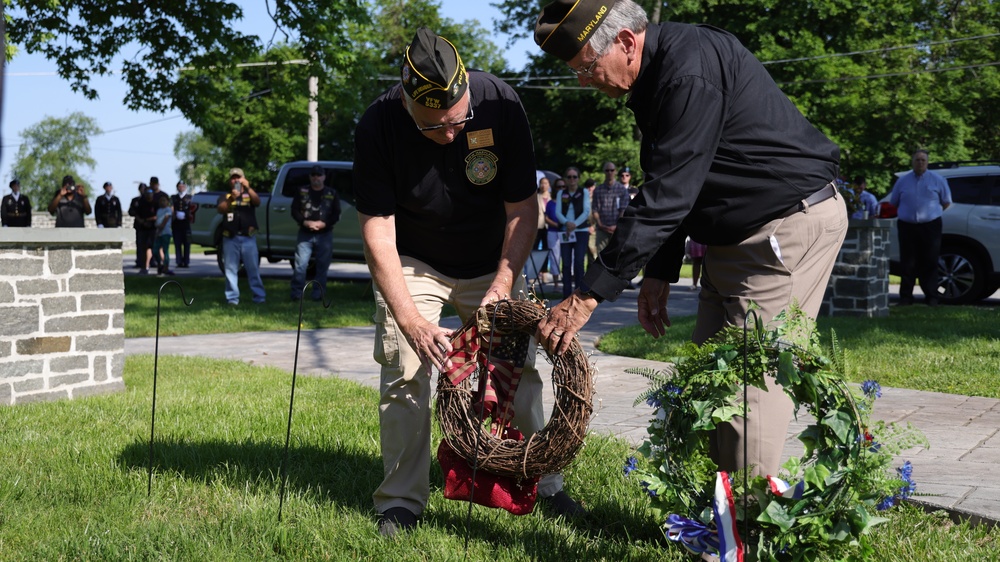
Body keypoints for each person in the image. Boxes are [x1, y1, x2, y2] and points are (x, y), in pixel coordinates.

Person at [533, 0, 848, 480]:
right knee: (708, 385)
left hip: (783, 229)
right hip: (734, 240)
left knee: (748, 396)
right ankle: (713, 522)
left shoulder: (688, 71)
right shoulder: (659, 75)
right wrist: (658, 273)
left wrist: (587, 294)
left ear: (625, 42)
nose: (583, 81)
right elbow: (677, 177)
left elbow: (668, 194)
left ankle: (743, 539)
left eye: (587, 67)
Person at [353, 27, 584, 537]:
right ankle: (400, 502)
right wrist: (411, 321)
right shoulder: (378, 124)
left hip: (492, 259)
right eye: (435, 129)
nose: (451, 136)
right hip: (414, 260)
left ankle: (547, 484)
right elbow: (378, 230)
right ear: (409, 105)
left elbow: (524, 208)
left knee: (518, 373)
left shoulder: (500, 103)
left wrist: (504, 281)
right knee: (404, 369)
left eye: (459, 121)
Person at [888, 150, 952, 306]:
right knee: (908, 262)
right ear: (912, 162)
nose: (920, 162)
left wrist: (931, 215)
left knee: (930, 261)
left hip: (931, 226)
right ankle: (906, 297)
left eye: (923, 160)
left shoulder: (938, 180)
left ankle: (931, 297)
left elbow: (946, 202)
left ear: (927, 162)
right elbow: (893, 202)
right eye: (917, 160)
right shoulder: (903, 181)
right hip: (907, 226)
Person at [289, 165, 341, 301]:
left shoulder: (332, 193)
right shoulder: (302, 191)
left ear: (324, 177)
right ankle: (297, 294)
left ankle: (318, 294)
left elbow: (336, 214)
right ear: (310, 177)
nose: (316, 178)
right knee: (300, 264)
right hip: (305, 233)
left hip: (325, 233)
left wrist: (324, 224)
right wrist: (304, 222)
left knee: (322, 265)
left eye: (319, 175)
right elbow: (294, 210)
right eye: (313, 175)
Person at [216, 168, 266, 305]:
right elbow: (221, 209)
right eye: (233, 178)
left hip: (248, 238)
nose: (236, 180)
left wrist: (248, 188)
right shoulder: (225, 196)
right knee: (231, 269)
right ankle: (232, 299)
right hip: (230, 238)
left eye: (238, 178)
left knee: (253, 268)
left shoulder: (249, 194)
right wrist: (232, 197)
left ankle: (259, 297)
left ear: (244, 179)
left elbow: (257, 202)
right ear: (229, 181)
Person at [554, 167, 591, 297]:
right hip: (566, 231)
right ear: (565, 179)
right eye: (569, 177)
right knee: (566, 263)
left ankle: (579, 294)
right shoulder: (561, 193)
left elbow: (586, 211)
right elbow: (557, 212)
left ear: (578, 178)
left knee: (579, 262)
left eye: (574, 177)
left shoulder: (584, 192)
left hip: (580, 230)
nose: (572, 179)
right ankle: (566, 295)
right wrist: (567, 223)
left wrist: (574, 224)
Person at [591, 161, 631, 256]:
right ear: (604, 172)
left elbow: (623, 209)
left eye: (612, 170)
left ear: (615, 172)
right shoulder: (598, 190)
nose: (609, 172)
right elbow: (595, 209)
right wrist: (600, 224)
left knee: (617, 256)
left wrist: (616, 225)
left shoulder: (622, 190)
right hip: (601, 229)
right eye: (607, 170)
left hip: (617, 229)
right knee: (601, 256)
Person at [133, 185, 159, 274]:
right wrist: (142, 222)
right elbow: (136, 214)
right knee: (143, 248)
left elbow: (158, 216)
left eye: (150, 193)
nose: (148, 195)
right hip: (142, 228)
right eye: (147, 193)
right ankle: (144, 266)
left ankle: (159, 265)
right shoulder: (140, 202)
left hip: (153, 228)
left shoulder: (156, 203)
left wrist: (147, 220)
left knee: (155, 248)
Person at [172, 181, 193, 268]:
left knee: (187, 243)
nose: (181, 187)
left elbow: (192, 209)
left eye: (183, 186)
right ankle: (179, 261)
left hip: (186, 223)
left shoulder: (190, 197)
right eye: (179, 186)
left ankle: (186, 261)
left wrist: (186, 214)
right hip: (176, 223)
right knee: (177, 242)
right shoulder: (174, 197)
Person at [153, 193, 175, 276]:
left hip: (165, 232)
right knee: (155, 251)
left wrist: (160, 227)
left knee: (165, 250)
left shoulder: (168, 210)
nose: (162, 202)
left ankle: (166, 267)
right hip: (158, 232)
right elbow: (157, 220)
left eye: (164, 200)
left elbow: (165, 220)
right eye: (161, 200)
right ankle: (159, 264)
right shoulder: (159, 210)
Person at [127, 184, 146, 268]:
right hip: (139, 225)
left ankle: (150, 261)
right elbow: (131, 211)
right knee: (139, 244)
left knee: (149, 244)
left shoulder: (149, 200)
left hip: (148, 225)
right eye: (141, 189)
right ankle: (139, 261)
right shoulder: (135, 200)